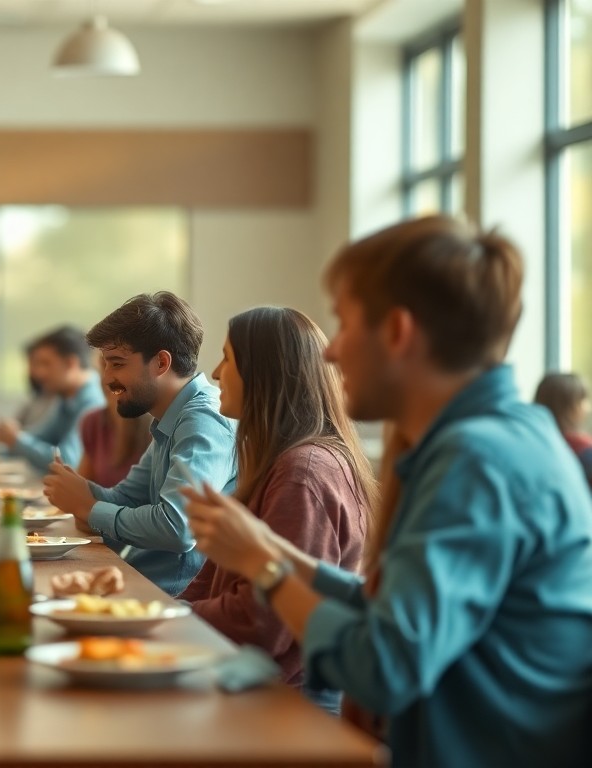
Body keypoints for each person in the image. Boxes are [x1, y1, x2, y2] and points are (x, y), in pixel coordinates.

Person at [183, 217, 592, 768]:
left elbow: (384, 666)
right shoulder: (500, 435)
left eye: (346, 324)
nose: (330, 354)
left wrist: (268, 568)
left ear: (398, 332)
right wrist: (275, 555)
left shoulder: (478, 461)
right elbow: (389, 609)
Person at [177, 307, 373, 713]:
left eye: (227, 359)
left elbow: (263, 622)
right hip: (251, 683)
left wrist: (172, 617)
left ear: (264, 373)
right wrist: (157, 613)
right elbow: (210, 578)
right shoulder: (280, 462)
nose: (214, 373)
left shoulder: (302, 473)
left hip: (286, 706)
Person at [42, 292, 237, 597]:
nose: (106, 380)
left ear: (161, 362)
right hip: (141, 584)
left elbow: (178, 528)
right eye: (105, 365)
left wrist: (88, 506)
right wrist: (80, 492)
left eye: (116, 364)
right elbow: (127, 499)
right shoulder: (168, 419)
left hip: (177, 602)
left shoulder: (202, 421)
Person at [0, 325, 105, 472]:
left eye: (46, 364)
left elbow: (68, 461)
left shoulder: (93, 401)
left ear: (70, 364)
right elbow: (39, 437)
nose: (37, 373)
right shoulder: (66, 397)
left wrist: (16, 440)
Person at [77, 360, 154, 489]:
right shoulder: (93, 422)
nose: (106, 377)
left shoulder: (157, 427)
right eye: (102, 366)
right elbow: (81, 488)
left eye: (117, 365)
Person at [534, 372, 592, 483]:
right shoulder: (585, 451)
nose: (588, 408)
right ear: (570, 406)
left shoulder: (532, 443)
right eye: (583, 400)